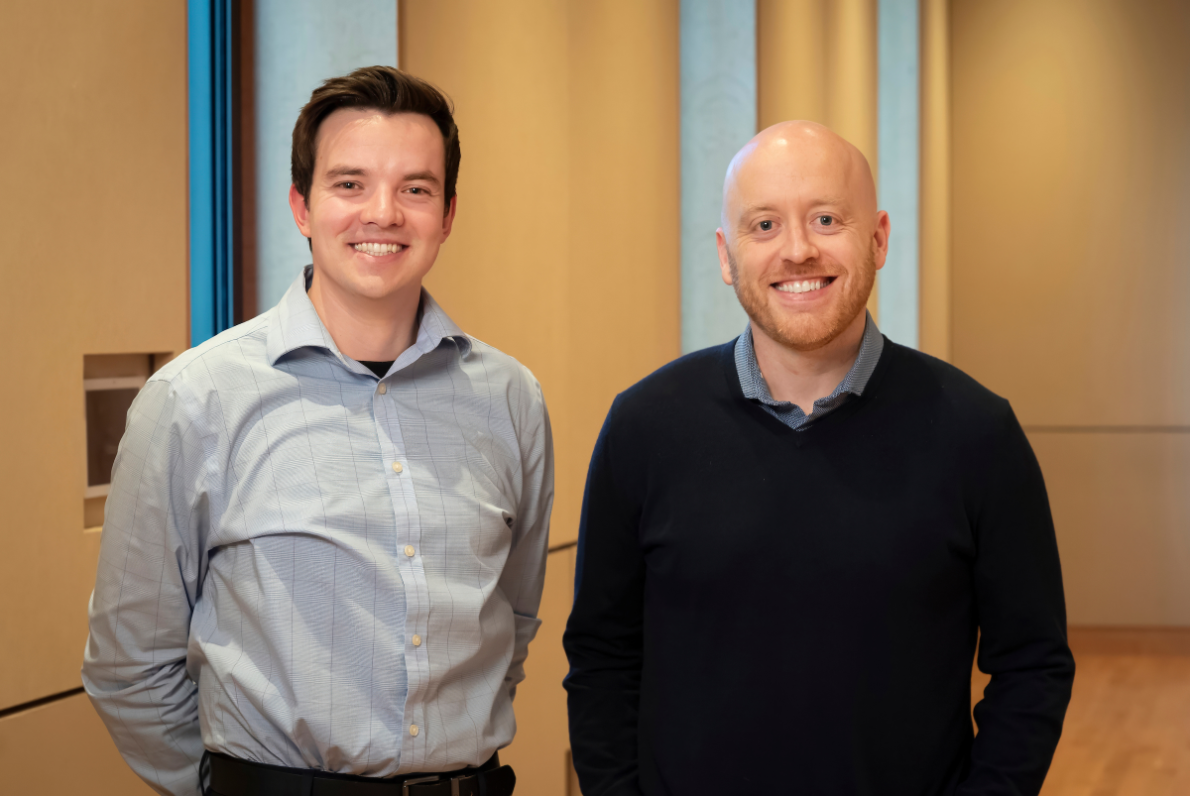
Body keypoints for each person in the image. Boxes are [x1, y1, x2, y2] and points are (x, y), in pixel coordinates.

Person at [563, 121, 1074, 796]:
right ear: (726, 254)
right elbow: (603, 657)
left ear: (879, 238)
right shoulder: (644, 427)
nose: (797, 250)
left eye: (827, 218)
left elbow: (1032, 663)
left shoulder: (977, 432)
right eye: (764, 225)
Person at [83, 66, 552, 796]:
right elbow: (127, 663)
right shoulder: (194, 399)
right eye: (350, 184)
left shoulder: (510, 399)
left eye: (416, 189)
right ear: (302, 206)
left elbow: (512, 621)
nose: (384, 213)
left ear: (448, 213)